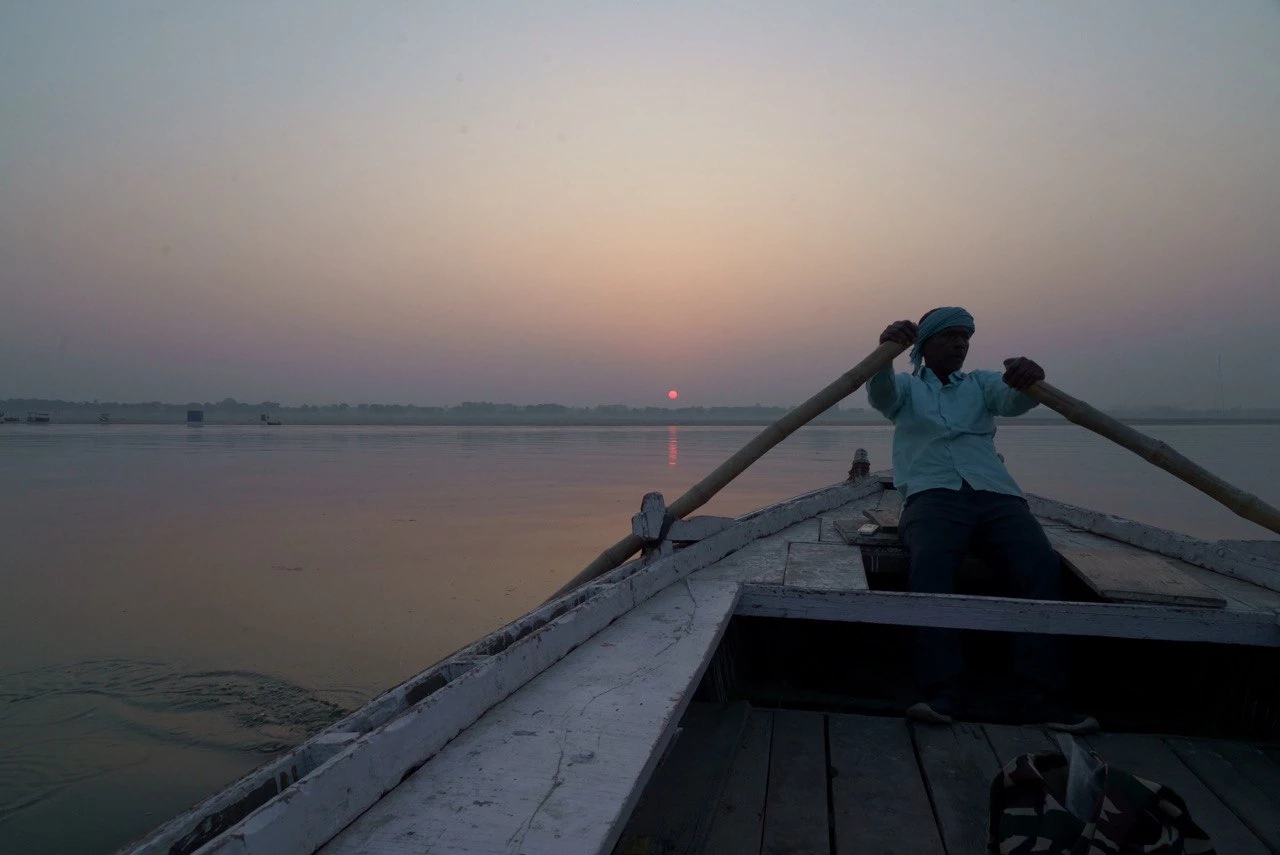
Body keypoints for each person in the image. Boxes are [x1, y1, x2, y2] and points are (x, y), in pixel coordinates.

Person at [868, 307, 1098, 733]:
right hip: (931, 493)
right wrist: (884, 352)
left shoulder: (981, 384)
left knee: (1041, 565)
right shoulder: (905, 389)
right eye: (950, 337)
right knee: (932, 563)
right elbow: (880, 394)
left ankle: (1039, 696)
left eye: (966, 337)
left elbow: (1013, 402)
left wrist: (1030, 380)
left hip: (997, 493)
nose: (961, 344)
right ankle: (941, 690)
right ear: (924, 345)